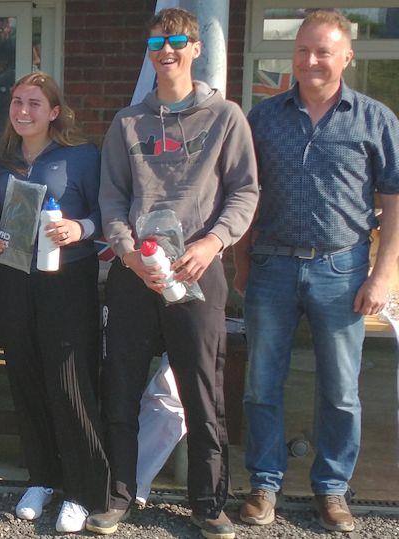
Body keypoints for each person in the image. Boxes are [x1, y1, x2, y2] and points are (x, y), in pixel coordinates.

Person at [88, 8, 258, 538]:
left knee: (202, 391)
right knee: (121, 388)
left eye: (178, 41)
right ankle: (118, 496)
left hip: (197, 271)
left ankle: (208, 504)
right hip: (136, 275)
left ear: (196, 48)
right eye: (158, 42)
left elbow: (245, 191)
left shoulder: (225, 117)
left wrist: (213, 242)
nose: (168, 50)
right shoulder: (127, 122)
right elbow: (112, 198)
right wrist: (128, 253)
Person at [234, 10, 399, 533]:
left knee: (341, 389)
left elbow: (394, 203)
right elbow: (244, 197)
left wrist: (383, 275)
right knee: (262, 383)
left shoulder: (376, 120)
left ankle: (332, 489)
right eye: (303, 50)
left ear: (346, 56)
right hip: (271, 266)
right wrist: (241, 264)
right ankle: (264, 483)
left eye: (323, 51)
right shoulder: (262, 118)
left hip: (343, 268)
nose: (310, 61)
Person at [0, 72, 109, 533]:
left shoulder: (81, 158)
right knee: (25, 378)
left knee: (69, 383)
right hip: (15, 282)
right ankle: (42, 477)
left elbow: (106, 212)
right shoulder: (3, 163)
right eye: (17, 102)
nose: (23, 111)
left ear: (54, 112)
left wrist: (82, 229)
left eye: (34, 103)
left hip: (67, 282)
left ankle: (81, 490)